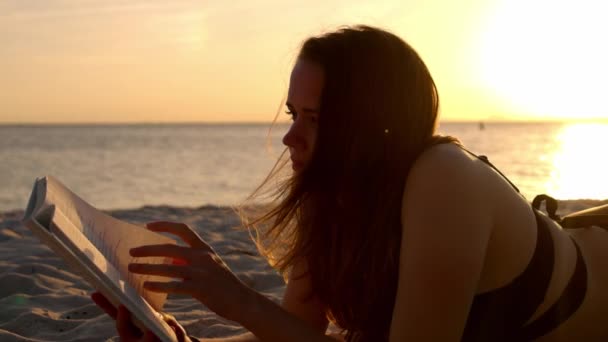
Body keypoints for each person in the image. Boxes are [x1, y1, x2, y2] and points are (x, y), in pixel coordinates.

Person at [92, 25, 608, 341]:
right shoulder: (330, 195)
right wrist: (179, 338)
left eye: (314, 118)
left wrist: (235, 298)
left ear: (370, 122)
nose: (290, 137)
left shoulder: (443, 180)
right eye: (294, 114)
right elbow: (296, 334)